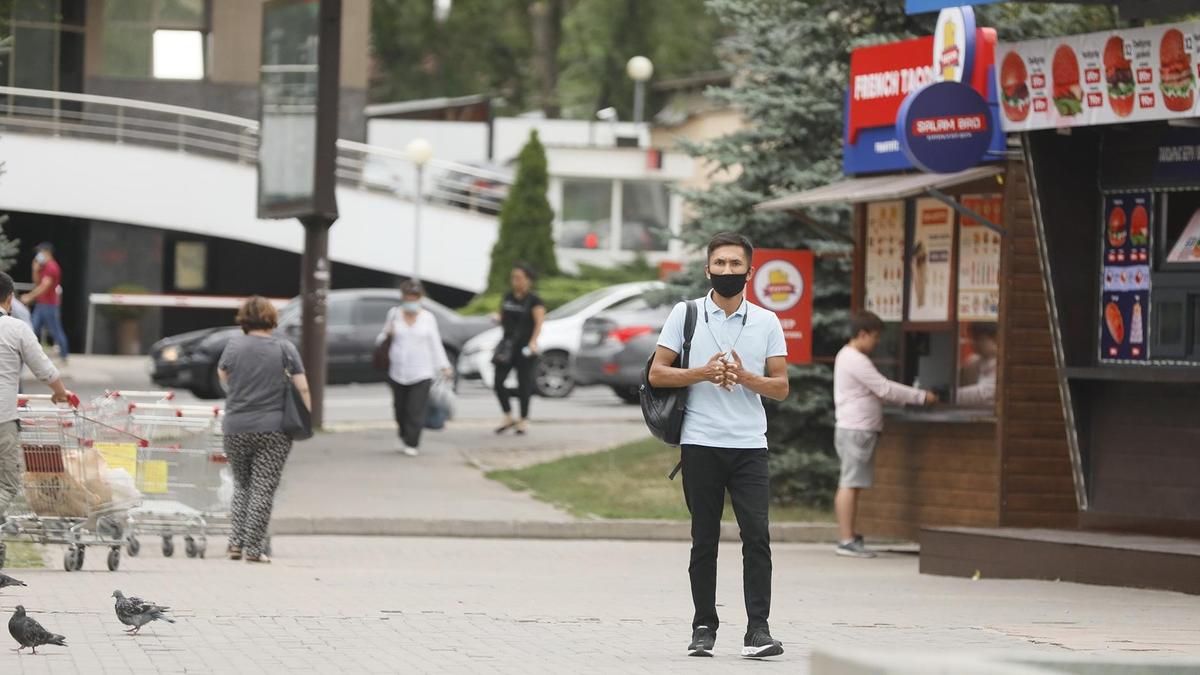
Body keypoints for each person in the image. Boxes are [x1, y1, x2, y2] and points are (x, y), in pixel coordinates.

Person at [648, 232, 790, 660]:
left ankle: (758, 630)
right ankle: (703, 627)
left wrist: (746, 378)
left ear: (750, 270)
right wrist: (704, 373)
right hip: (700, 442)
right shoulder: (685, 313)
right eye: (720, 263)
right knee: (704, 538)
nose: (727, 271)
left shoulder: (766, 321)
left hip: (749, 446)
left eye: (735, 264)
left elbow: (781, 388)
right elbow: (657, 374)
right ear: (708, 268)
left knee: (757, 537)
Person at [832, 311, 936, 559]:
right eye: (875, 336)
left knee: (852, 483)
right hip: (856, 429)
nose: (877, 342)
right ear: (863, 334)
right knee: (850, 483)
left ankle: (849, 536)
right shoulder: (855, 358)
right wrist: (922, 397)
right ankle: (846, 540)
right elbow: (884, 388)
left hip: (855, 428)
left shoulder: (848, 357)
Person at [218, 296, 311, 564]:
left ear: (244, 318)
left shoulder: (234, 345)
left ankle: (235, 544)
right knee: (263, 489)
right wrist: (307, 415)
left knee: (242, 486)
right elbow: (302, 386)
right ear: (271, 318)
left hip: (235, 427)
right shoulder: (284, 347)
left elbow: (223, 374)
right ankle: (254, 549)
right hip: (274, 430)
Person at [0, 272, 73, 560]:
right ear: (10, 298)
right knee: (6, 483)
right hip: (2, 420)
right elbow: (44, 369)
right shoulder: (16, 329)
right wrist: (60, 393)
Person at [376, 280, 453, 457]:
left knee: (415, 409)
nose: (411, 301)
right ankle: (404, 434)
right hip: (398, 371)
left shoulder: (428, 318)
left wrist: (444, 366)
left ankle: (413, 441)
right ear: (403, 298)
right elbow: (380, 340)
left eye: (414, 297)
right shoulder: (394, 314)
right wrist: (388, 333)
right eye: (408, 297)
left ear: (420, 298)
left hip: (422, 371)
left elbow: (435, 344)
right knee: (400, 408)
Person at [493, 264, 545, 435]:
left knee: (524, 383)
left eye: (519, 277)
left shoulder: (534, 300)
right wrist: (497, 319)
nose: (515, 281)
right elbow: (504, 317)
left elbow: (539, 323)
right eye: (513, 277)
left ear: (528, 280)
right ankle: (508, 415)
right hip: (507, 346)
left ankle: (523, 419)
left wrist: (533, 342)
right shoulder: (508, 297)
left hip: (525, 347)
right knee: (498, 381)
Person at [20, 243, 69, 362]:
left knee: (55, 330)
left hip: (49, 304)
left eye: (40, 252)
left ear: (47, 252)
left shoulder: (52, 267)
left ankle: (64, 355)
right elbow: (37, 282)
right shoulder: (44, 266)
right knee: (32, 328)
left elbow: (44, 286)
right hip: (41, 303)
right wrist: (35, 270)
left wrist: (29, 296)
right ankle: (26, 354)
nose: (38, 255)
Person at [957, 323, 998, 407]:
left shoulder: (1005, 363)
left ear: (996, 339)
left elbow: (986, 393)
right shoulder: (972, 362)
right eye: (973, 338)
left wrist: (947, 395)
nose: (974, 343)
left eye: (979, 339)